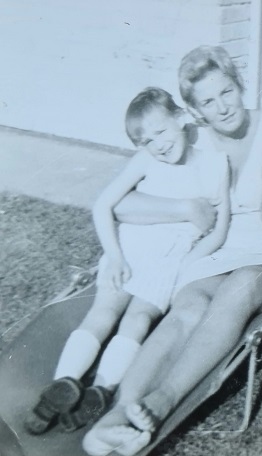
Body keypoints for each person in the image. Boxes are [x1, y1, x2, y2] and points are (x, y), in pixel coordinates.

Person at [82, 46, 262, 456]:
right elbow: (121, 200)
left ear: (239, 85)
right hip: (216, 242)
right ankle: (115, 418)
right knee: (187, 308)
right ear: (193, 110)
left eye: (227, 92)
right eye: (207, 101)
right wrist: (182, 209)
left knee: (238, 290)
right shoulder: (185, 137)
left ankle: (162, 400)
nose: (222, 107)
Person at [24, 87, 230, 435]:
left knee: (134, 319)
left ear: (181, 119)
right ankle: (69, 384)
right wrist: (115, 255)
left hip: (170, 260)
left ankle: (93, 388)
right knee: (105, 313)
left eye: (161, 131)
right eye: (147, 140)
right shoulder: (147, 162)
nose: (158, 144)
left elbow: (219, 229)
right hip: (131, 248)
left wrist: (185, 267)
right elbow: (103, 205)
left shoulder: (213, 164)